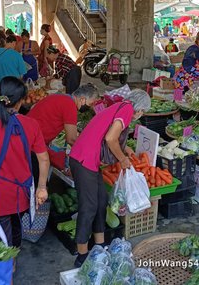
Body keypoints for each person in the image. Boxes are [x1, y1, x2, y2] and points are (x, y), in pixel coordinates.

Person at [69, 89, 151, 267]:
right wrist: (122, 159)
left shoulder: (121, 106)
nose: (142, 115)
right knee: (88, 207)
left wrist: (125, 150)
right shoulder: (127, 110)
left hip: (89, 161)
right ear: (140, 109)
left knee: (101, 201)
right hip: (83, 160)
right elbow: (110, 138)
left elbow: (109, 135)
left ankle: (100, 244)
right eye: (143, 111)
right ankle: (82, 255)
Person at [0, 77, 50, 247]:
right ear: (20, 102)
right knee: (16, 226)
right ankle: (12, 261)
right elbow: (43, 158)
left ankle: (7, 269)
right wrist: (42, 187)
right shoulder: (31, 124)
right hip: (22, 192)